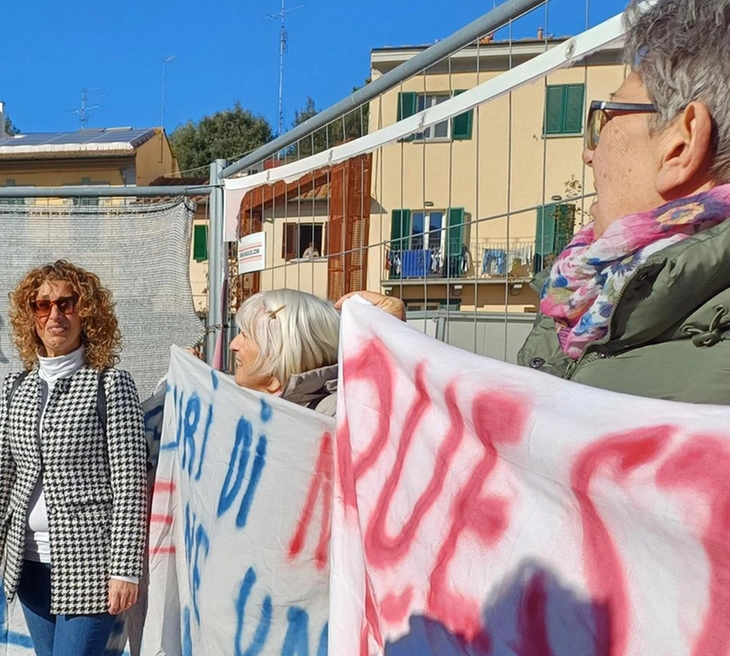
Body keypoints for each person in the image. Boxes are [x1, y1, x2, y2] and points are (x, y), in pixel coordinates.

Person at [342, 0, 730, 406]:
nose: (588, 153)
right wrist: (396, 345)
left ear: (681, 145)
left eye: (604, 117)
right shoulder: (587, 302)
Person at [0, 259, 148, 656]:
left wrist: (125, 568)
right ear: (30, 315)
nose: (55, 315)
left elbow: (131, 483)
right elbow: (3, 477)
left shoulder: (109, 384)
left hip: (90, 560)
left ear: (85, 312)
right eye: (43, 304)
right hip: (28, 561)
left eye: (66, 303)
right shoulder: (18, 387)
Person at [230, 289, 341, 415]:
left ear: (281, 351)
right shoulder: (232, 396)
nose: (233, 345)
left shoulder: (336, 414)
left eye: (245, 335)